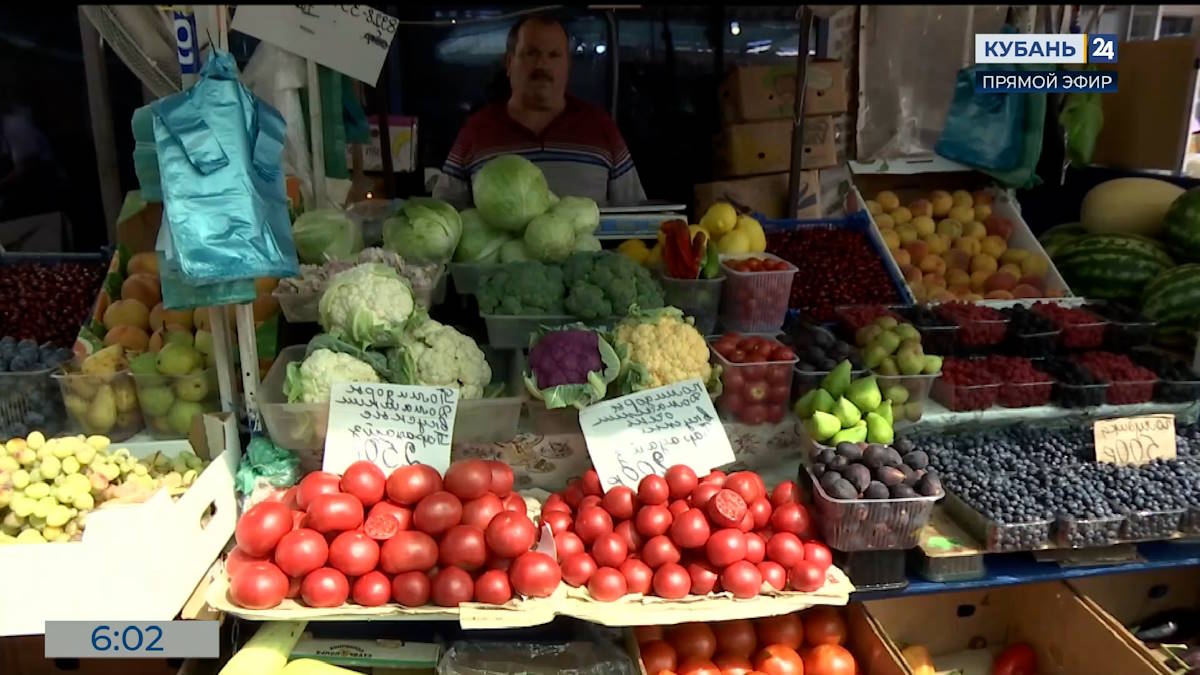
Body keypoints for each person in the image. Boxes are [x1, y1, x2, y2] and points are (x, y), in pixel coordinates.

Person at [433, 14, 647, 207]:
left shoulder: (601, 128)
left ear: (568, 66)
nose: (542, 65)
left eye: (554, 55)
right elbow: (444, 214)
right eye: (531, 53)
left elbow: (635, 213)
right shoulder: (477, 129)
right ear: (509, 63)